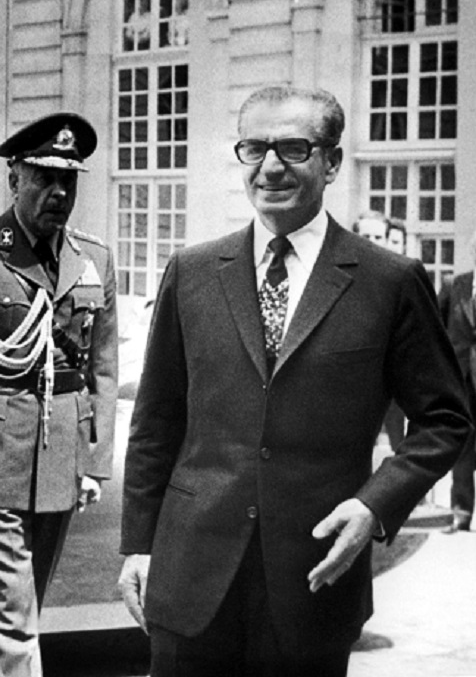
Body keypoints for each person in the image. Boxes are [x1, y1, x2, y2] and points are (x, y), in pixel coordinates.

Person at [117, 85, 471, 677]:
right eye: (254, 149)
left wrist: (372, 506)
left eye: (293, 148)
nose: (271, 167)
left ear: (331, 161)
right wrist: (138, 544)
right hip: (189, 579)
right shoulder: (194, 271)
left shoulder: (389, 280)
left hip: (313, 578)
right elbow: (156, 421)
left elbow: (445, 419)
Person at [0, 112, 118, 677]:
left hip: (61, 454)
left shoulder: (94, 259)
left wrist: (94, 460)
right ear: (14, 179)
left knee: (24, 604)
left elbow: (104, 369)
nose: (58, 192)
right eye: (43, 178)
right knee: (12, 615)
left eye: (69, 181)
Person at [353, 210, 407, 454]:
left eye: (377, 237)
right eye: (365, 236)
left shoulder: (403, 281)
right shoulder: (339, 278)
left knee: (402, 450)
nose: (371, 243)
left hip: (396, 383)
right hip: (353, 383)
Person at [439, 232, 476, 534]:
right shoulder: (456, 285)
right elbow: (434, 329)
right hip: (461, 380)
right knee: (462, 449)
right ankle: (461, 514)